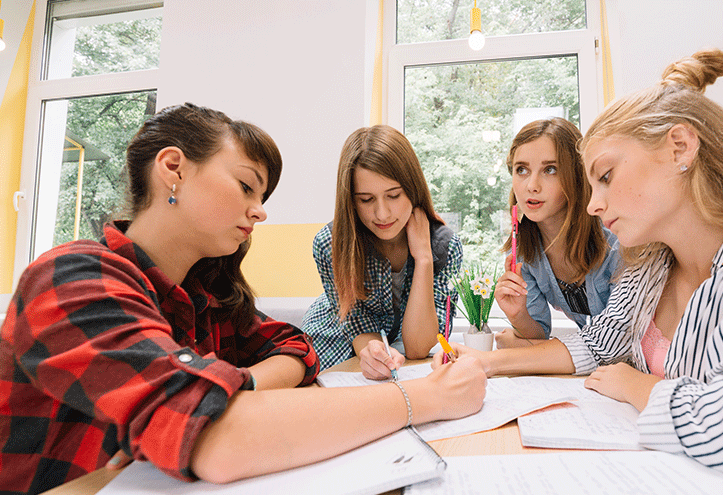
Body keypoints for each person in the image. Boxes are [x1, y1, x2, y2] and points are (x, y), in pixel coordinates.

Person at [436, 50, 723, 494]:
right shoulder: (652, 264)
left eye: (605, 177)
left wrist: (638, 386)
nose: (592, 205)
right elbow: (598, 345)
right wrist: (486, 360)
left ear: (680, 148)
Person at [0, 104, 486, 495]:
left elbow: (297, 348)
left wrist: (238, 385)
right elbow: (216, 437)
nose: (259, 211)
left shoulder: (206, 293)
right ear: (173, 169)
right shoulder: (71, 277)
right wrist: (428, 396)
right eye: (246, 185)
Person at [302, 125, 462, 376]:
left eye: (394, 195)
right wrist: (375, 354)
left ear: (413, 189)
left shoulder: (445, 247)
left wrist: (423, 259)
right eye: (366, 200)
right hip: (333, 343)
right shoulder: (329, 244)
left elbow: (419, 347)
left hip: (402, 351)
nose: (382, 214)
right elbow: (358, 329)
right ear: (351, 201)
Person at [493, 117, 620, 349]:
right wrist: (518, 314)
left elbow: (617, 339)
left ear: (576, 175)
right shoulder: (525, 254)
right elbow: (539, 332)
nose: (532, 185)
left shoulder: (616, 242)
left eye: (550, 170)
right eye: (521, 169)